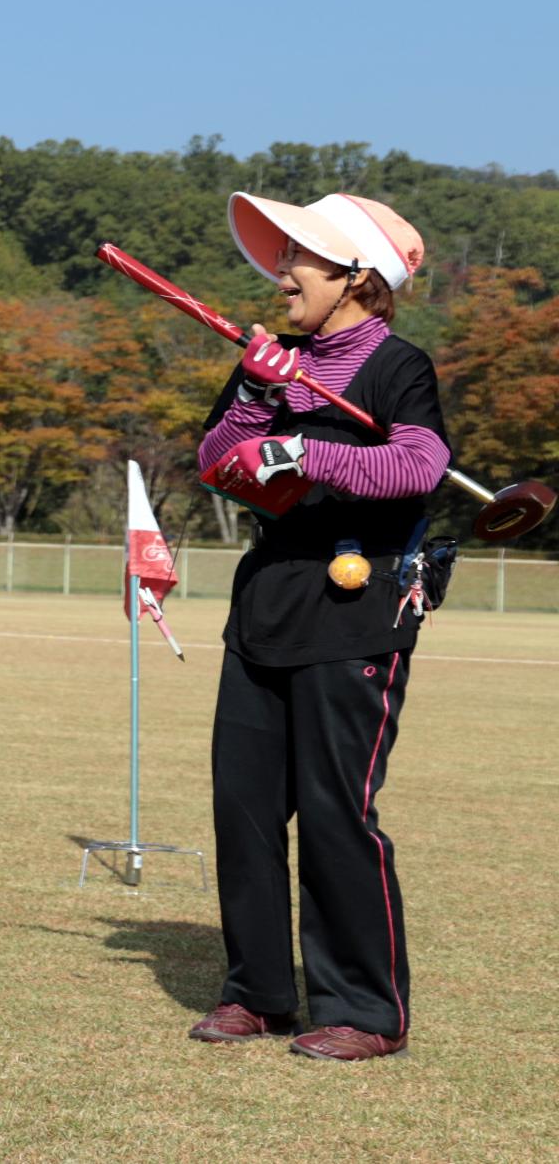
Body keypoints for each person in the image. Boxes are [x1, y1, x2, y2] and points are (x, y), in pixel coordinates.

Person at [186, 191, 444, 1062]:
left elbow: (418, 464)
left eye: (303, 256)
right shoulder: (274, 357)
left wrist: (306, 449)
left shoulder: (398, 366)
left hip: (356, 612)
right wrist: (260, 397)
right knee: (246, 810)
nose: (281, 271)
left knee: (339, 813)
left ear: (358, 277)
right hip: (264, 607)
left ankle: (364, 1010)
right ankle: (258, 993)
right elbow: (217, 461)